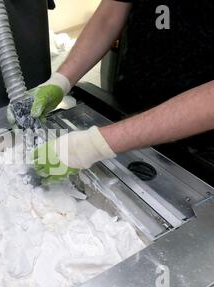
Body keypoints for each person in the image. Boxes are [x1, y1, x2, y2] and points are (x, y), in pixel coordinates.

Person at [31, 0, 214, 183]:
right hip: (130, 102)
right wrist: (60, 81)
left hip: (200, 142)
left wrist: (93, 145)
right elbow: (109, 16)